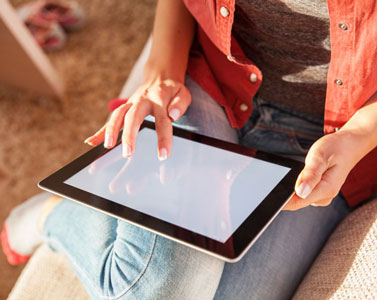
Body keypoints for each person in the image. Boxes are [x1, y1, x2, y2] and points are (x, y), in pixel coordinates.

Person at [2, 0, 377, 299]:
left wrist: (357, 136)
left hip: (333, 137)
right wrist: (162, 73)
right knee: (161, 291)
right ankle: (48, 218)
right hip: (211, 87)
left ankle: (62, 212)